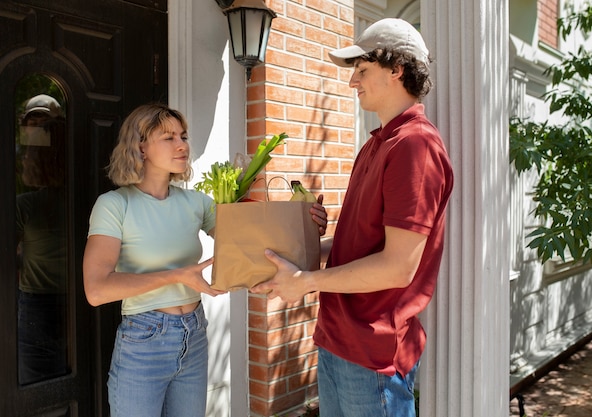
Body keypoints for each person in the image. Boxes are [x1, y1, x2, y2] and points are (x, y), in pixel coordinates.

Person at [251, 18, 454, 417]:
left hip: (373, 354)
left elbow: (397, 268)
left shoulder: (415, 146)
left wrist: (305, 283)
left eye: (361, 70)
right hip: (338, 341)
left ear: (396, 69)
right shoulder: (376, 144)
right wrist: (301, 247)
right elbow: (361, 247)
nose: (351, 82)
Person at [83, 103, 328, 417]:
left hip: (194, 334)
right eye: (168, 137)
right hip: (144, 340)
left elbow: (253, 246)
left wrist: (306, 226)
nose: (182, 144)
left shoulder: (196, 202)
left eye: (183, 136)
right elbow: (97, 289)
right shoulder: (114, 205)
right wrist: (178, 275)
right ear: (140, 146)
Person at [16, 94, 69, 385]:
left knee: (38, 390)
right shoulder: (86, 200)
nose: (26, 153)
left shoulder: (26, 205)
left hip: (39, 305)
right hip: (75, 301)